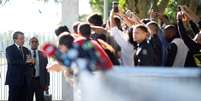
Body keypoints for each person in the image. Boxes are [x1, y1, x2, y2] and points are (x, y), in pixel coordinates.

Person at [5, 31, 34, 101]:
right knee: (13, 98)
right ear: (15, 39)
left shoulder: (26, 49)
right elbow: (12, 61)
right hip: (14, 80)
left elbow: (29, 63)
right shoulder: (9, 49)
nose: (23, 40)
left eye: (23, 39)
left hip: (25, 81)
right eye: (21, 39)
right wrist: (26, 61)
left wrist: (31, 62)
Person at [29, 37, 49, 101]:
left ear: (38, 44)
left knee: (40, 99)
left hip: (39, 81)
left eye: (36, 42)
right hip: (29, 81)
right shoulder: (26, 53)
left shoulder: (43, 54)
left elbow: (46, 70)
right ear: (29, 43)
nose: (34, 43)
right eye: (32, 42)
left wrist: (47, 84)